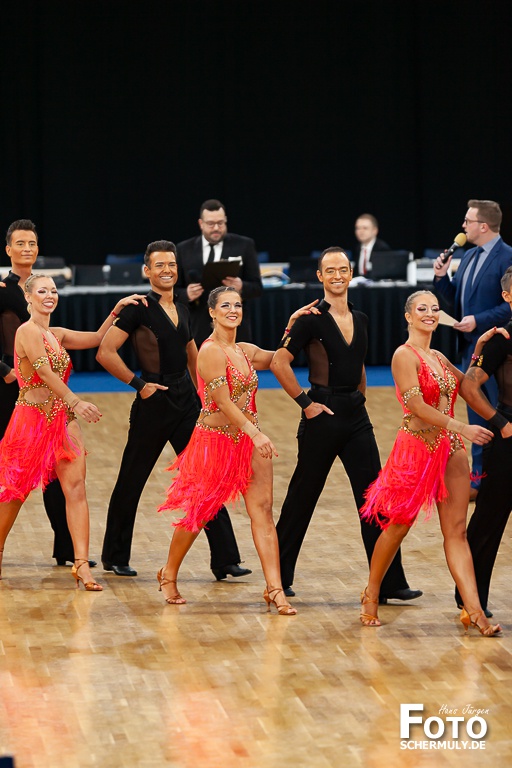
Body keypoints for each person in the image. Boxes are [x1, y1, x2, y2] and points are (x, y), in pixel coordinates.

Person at [270, 247, 421, 602]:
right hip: (321, 414)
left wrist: (360, 399)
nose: (337, 275)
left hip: (356, 416)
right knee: (302, 498)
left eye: (343, 269)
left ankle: (389, 582)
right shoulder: (309, 319)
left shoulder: (361, 317)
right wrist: (307, 404)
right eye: (330, 270)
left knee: (375, 498)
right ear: (320, 276)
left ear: (351, 273)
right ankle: (278, 577)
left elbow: (359, 364)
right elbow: (278, 362)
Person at [156, 287, 318, 614]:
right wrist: (255, 433)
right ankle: (168, 573)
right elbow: (222, 402)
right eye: (226, 305)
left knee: (263, 512)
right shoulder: (210, 351)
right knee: (199, 513)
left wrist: (292, 326)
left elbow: (278, 359)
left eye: (238, 305)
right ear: (212, 312)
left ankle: (275, 589)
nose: (233, 310)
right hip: (215, 440)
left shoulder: (245, 350)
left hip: (248, 440)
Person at [97, 240, 250, 579]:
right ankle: (114, 556)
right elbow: (105, 352)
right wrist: (140, 385)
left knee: (205, 476)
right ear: (147, 271)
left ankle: (225, 559)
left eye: (171, 264)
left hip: (186, 402)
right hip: (153, 400)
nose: (167, 270)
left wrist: (204, 397)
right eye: (160, 265)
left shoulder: (182, 305)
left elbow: (192, 352)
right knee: (132, 478)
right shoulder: (137, 308)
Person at [358, 290, 502, 636]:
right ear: (408, 316)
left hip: (451, 450)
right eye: (422, 308)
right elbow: (417, 407)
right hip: (416, 449)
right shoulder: (403, 355)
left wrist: (480, 350)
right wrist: (462, 427)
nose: (429, 313)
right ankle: (371, 593)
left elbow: (468, 388)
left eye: (434, 309)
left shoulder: (438, 356)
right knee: (398, 526)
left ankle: (474, 610)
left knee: (457, 532)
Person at [0, 275, 145, 589]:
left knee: (76, 489)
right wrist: (76, 400)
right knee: (15, 493)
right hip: (31, 420)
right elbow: (42, 371)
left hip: (63, 420)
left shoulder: (57, 334)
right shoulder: (26, 331)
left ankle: (81, 565)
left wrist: (116, 310)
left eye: (53, 290)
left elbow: (97, 337)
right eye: (42, 291)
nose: (49, 295)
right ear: (28, 297)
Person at [1, 219, 81, 567]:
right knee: (12, 474)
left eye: (32, 243)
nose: (27, 249)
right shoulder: (2, 288)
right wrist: (4, 370)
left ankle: (68, 549)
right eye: (20, 243)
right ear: (8, 249)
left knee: (57, 473)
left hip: (47, 396)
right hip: (11, 386)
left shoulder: (42, 288)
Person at [433, 199, 512, 499]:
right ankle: (479, 481)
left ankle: (499, 480)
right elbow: (455, 300)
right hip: (470, 349)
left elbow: (508, 305)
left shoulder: (508, 257)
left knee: (498, 413)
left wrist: (478, 320)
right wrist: (441, 277)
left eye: (468, 221)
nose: (463, 226)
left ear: (484, 226)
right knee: (476, 416)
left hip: (499, 350)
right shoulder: (468, 256)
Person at [455, 266, 512, 615]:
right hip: (508, 440)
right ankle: (470, 600)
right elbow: (469, 386)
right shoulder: (501, 339)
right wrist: (501, 423)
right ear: (507, 296)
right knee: (489, 519)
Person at [175, 199, 263, 347]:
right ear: (201, 223)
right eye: (211, 224)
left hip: (235, 330)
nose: (216, 228)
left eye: (220, 223)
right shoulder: (184, 249)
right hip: (197, 328)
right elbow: (173, 291)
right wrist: (186, 294)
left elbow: (257, 287)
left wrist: (241, 286)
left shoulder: (244, 245)